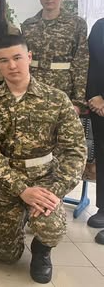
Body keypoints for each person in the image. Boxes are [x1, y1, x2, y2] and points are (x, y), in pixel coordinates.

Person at [0, 34, 86, 284]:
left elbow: (75, 151)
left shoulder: (56, 99)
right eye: (4, 60)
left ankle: (42, 250)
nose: (12, 65)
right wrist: (22, 190)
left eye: (17, 58)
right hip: (7, 183)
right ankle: (21, 215)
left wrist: (53, 192)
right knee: (6, 255)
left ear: (29, 57)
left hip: (45, 178)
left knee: (52, 226)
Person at [21, 0, 89, 113]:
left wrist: (78, 101)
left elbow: (81, 63)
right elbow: (22, 60)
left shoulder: (76, 24)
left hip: (63, 88)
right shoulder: (28, 25)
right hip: (32, 87)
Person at [86, 17, 104, 241]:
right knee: (103, 154)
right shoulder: (100, 27)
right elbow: (89, 63)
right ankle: (103, 207)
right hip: (100, 105)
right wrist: (93, 95)